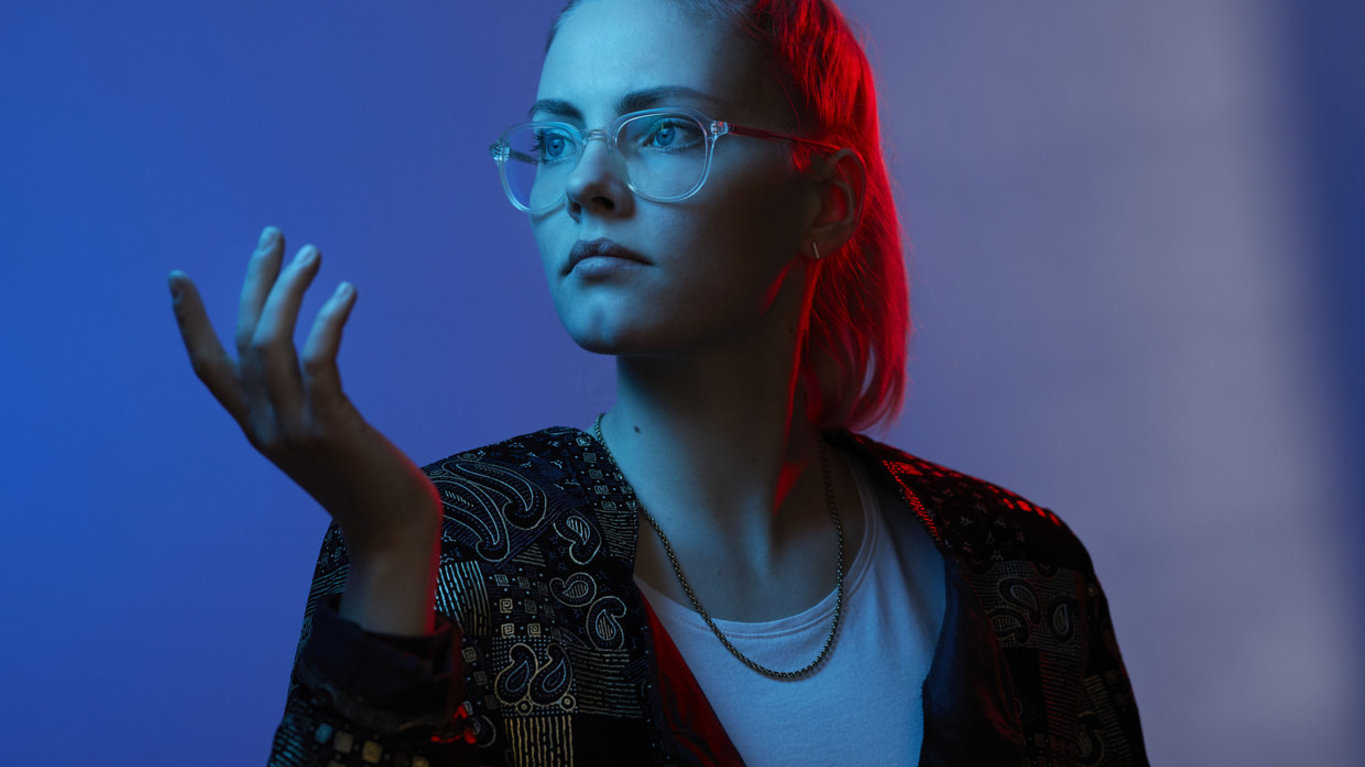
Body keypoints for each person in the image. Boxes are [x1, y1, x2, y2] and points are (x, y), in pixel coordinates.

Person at [168, 0, 1147, 764]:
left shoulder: (1025, 570)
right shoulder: (447, 551)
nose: (584, 185)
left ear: (827, 201)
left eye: (663, 130)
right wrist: (389, 548)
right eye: (556, 139)